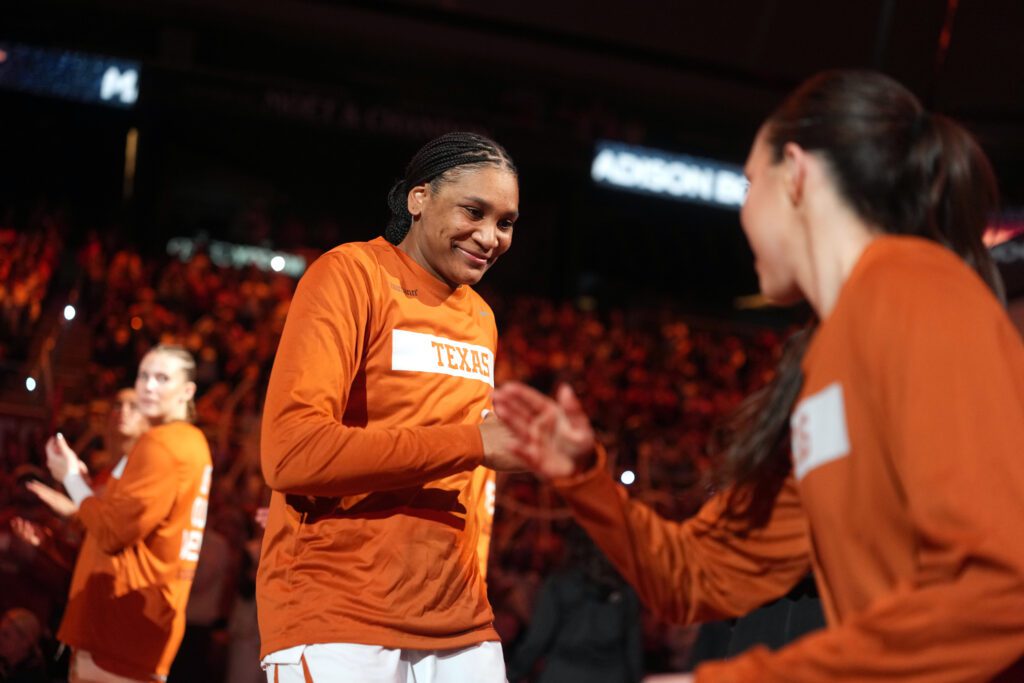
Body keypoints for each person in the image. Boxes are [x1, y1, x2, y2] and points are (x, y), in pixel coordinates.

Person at [493, 69, 1024, 681]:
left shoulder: (920, 294)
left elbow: (998, 589)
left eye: (750, 182)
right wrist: (584, 479)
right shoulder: (828, 353)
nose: (744, 210)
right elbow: (703, 576)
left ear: (795, 172)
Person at [257, 131, 524, 683]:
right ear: (418, 199)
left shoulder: (482, 318)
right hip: (339, 613)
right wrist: (473, 443)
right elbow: (292, 455)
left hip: (461, 619)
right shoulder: (351, 275)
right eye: (474, 211)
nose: (490, 236)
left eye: (505, 222)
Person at [43, 345, 213, 683]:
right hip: (142, 620)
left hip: (121, 623)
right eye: (144, 376)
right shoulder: (189, 443)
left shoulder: (163, 444)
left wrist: (72, 480)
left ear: (187, 390)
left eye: (163, 378)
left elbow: (111, 533)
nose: (149, 386)